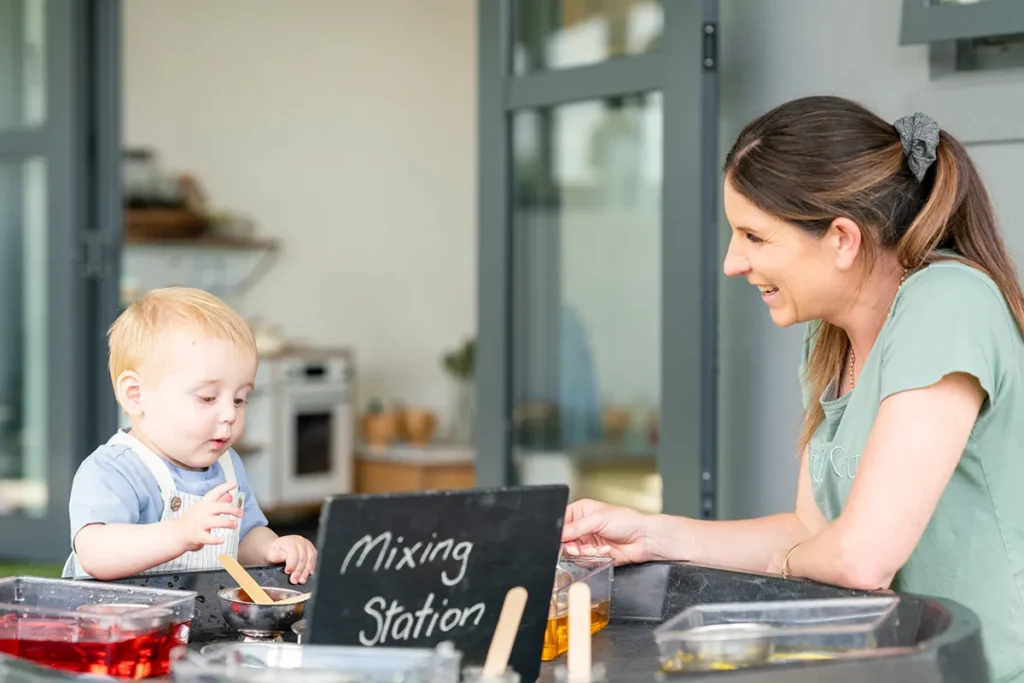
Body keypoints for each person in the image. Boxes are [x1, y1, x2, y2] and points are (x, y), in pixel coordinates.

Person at [561, 95, 1024, 683]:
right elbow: (814, 531)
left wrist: (785, 565)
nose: (733, 262)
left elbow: (859, 557)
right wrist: (651, 534)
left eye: (754, 236)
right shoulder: (829, 337)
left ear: (842, 239)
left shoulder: (949, 305)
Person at [63, 287, 317, 584]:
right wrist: (180, 533)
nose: (230, 414)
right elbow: (96, 554)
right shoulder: (114, 469)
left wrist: (271, 548)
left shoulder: (227, 467)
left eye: (239, 399)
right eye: (208, 398)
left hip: (195, 612)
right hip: (113, 614)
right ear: (136, 395)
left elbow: (244, 537)